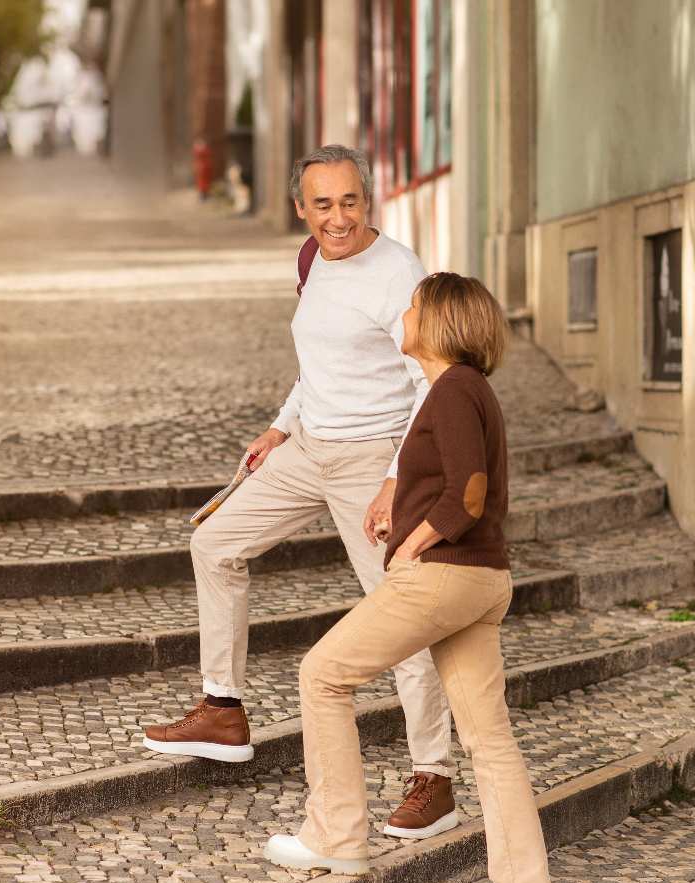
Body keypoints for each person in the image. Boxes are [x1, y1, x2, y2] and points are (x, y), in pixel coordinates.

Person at [143, 145, 460, 841]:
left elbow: (426, 386)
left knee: (398, 608)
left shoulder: (400, 273)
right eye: (323, 205)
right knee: (215, 541)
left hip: (374, 457)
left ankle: (434, 777)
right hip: (309, 447)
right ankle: (223, 710)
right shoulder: (311, 260)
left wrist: (393, 480)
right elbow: (315, 364)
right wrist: (279, 427)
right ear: (301, 209)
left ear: (367, 200)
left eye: (350, 201)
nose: (338, 217)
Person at [264, 272, 558, 883]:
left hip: (444, 575)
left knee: (322, 674)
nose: (404, 312)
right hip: (482, 579)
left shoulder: (453, 388)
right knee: (489, 741)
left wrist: (409, 547)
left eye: (415, 306)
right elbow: (458, 489)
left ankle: (336, 833)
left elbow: (467, 496)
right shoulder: (464, 390)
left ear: (442, 322)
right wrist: (398, 517)